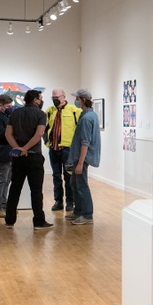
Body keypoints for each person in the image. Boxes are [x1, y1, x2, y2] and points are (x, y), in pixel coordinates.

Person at [4, 89, 53, 230]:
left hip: (18, 157)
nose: (41, 100)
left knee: (14, 188)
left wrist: (17, 149)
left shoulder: (15, 113)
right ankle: (38, 221)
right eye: (41, 98)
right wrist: (25, 148)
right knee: (36, 190)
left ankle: (9, 220)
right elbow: (38, 135)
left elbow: (8, 134)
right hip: (34, 156)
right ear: (36, 99)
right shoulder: (40, 114)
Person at [66, 89, 101, 225]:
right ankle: (78, 211)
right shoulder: (87, 115)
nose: (76, 101)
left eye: (78, 99)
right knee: (74, 183)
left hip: (82, 157)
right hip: (79, 156)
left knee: (81, 185)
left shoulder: (87, 118)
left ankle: (87, 214)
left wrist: (80, 163)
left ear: (83, 100)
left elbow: (85, 142)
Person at [45, 89, 82, 212]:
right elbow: (44, 128)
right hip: (53, 148)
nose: (55, 99)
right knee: (56, 176)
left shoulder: (74, 110)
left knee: (68, 177)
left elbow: (79, 131)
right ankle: (58, 201)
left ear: (63, 96)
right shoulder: (50, 111)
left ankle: (70, 202)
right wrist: (47, 143)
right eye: (53, 97)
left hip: (68, 150)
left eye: (57, 97)